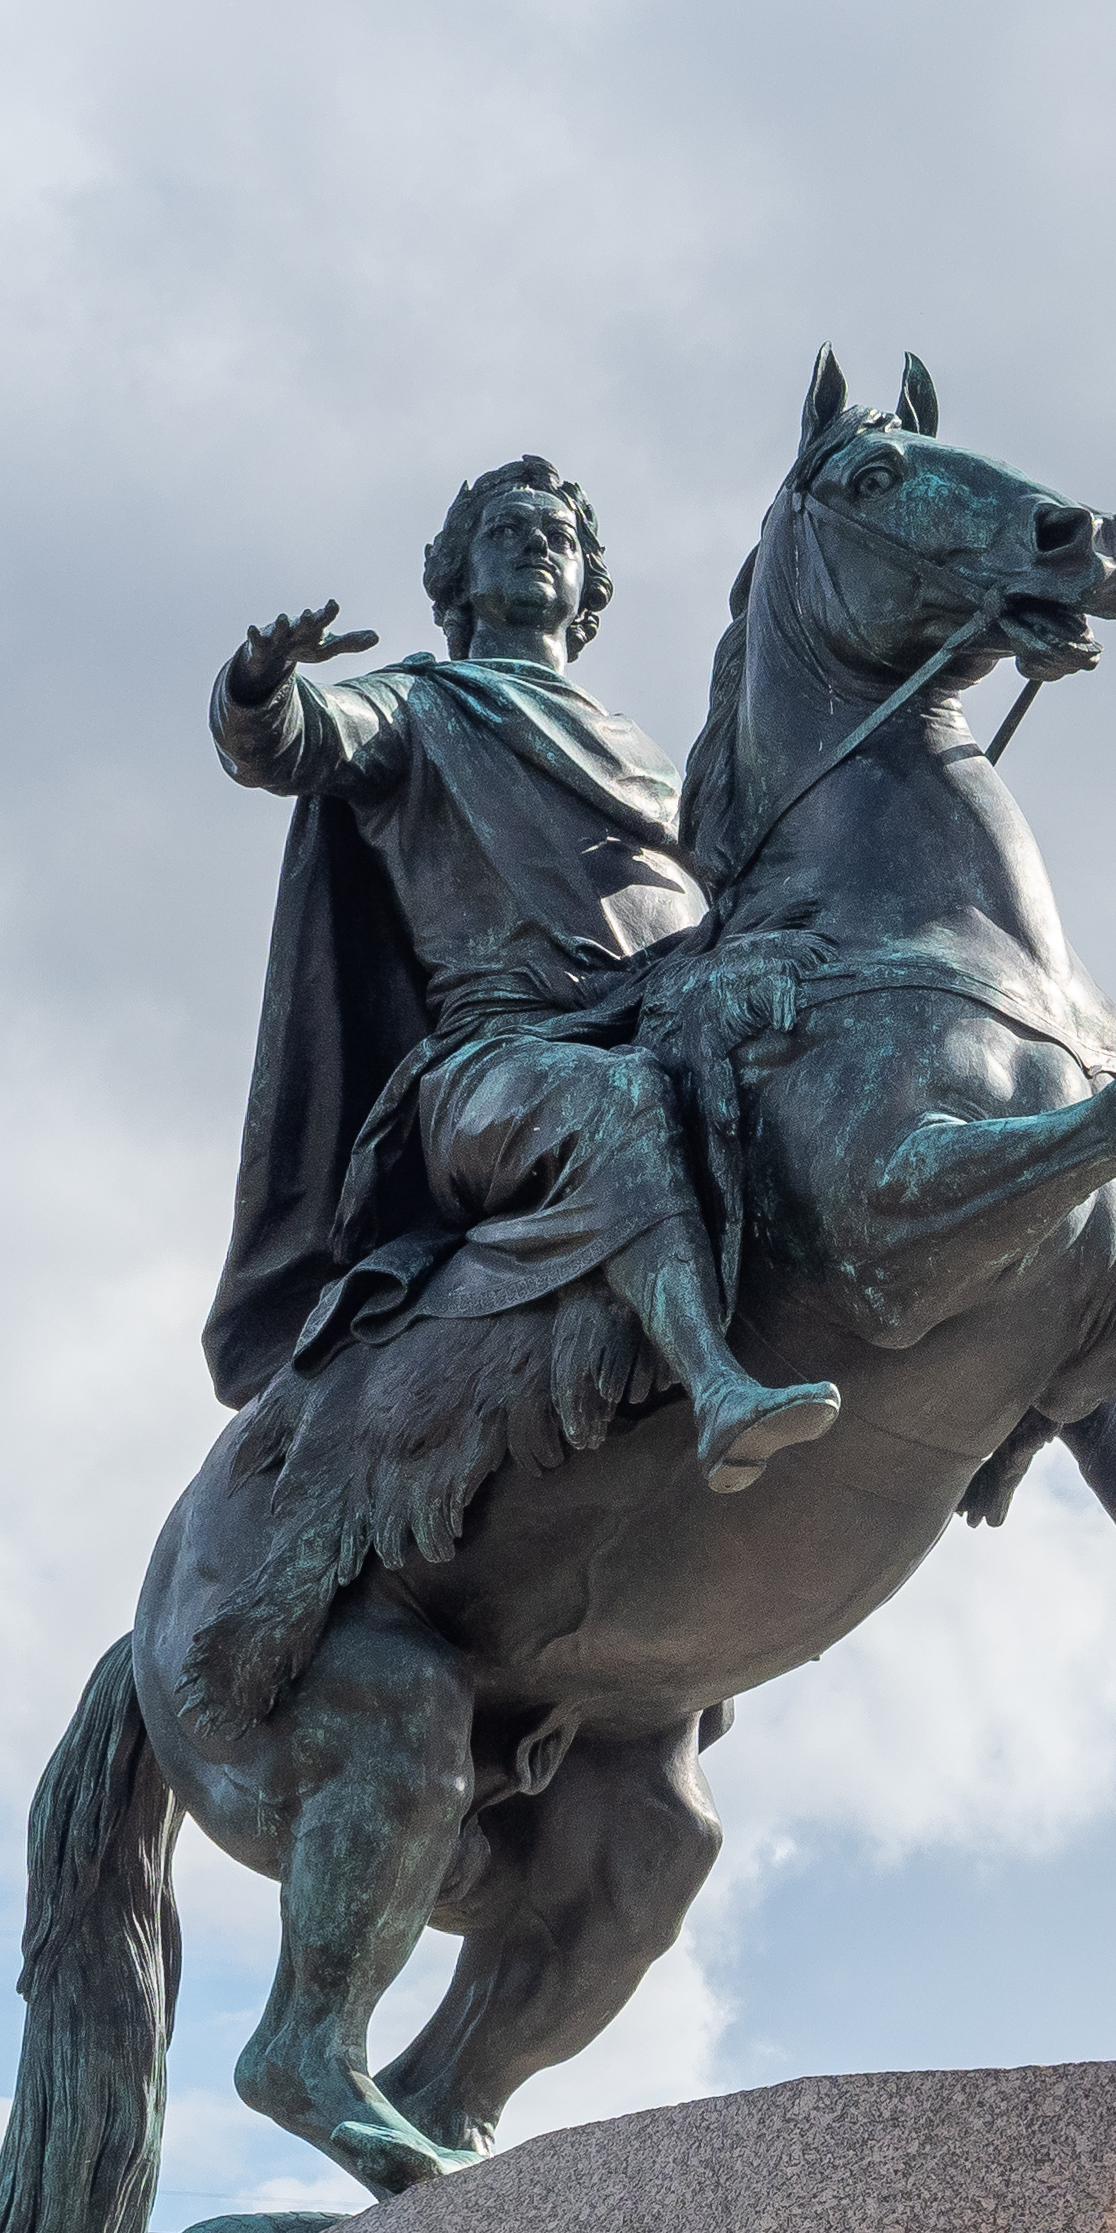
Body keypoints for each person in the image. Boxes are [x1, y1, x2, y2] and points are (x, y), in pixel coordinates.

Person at [203, 455, 839, 1493]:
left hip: (663, 1018)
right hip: (495, 1061)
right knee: (615, 1102)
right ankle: (718, 1385)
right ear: (457, 583)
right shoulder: (416, 704)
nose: (540, 543)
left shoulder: (645, 751)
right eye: (508, 531)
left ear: (589, 587)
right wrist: (259, 689)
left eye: (561, 536)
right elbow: (297, 742)